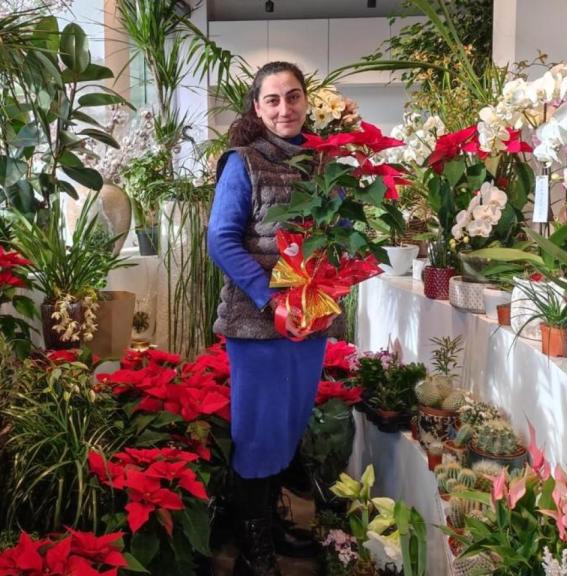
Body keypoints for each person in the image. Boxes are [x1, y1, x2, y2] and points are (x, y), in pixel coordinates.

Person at [207, 61, 341, 576]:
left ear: (307, 101)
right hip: (259, 325)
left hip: (311, 323)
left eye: (293, 97)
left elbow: (341, 235)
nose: (285, 109)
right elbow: (221, 239)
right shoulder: (243, 162)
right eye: (273, 100)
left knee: (287, 428)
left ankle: (268, 518)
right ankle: (254, 543)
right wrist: (273, 298)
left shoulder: (326, 163)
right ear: (257, 107)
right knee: (258, 433)